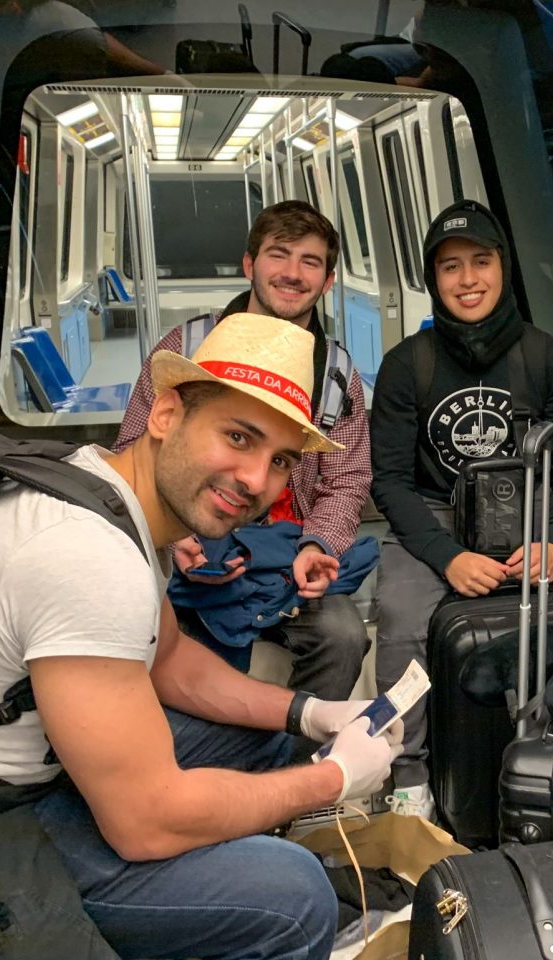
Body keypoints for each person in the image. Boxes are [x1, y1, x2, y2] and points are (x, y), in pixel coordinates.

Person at [0, 315, 400, 959]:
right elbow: (145, 822)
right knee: (294, 899)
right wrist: (333, 778)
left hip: (19, 762)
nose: (256, 481)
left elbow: (171, 662)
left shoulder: (102, 486)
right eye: (238, 437)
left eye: (279, 462)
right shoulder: (87, 558)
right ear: (166, 413)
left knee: (266, 737)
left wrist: (310, 714)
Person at [369, 198, 553, 819]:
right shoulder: (406, 366)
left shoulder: (548, 357)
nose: (468, 279)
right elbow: (392, 483)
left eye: (481, 261)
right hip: (439, 518)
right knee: (399, 612)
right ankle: (407, 774)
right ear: (434, 280)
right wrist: (447, 557)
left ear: (503, 267)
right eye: (451, 267)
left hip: (535, 513)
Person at [116, 200, 371, 701]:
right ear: (250, 264)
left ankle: (297, 767)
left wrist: (318, 546)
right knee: (148, 634)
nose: (293, 274)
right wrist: (171, 541)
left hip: (287, 554)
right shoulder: (187, 346)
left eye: (311, 262)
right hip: (191, 541)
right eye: (279, 255)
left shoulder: (336, 375)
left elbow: (347, 479)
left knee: (344, 637)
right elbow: (132, 448)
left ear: (328, 280)